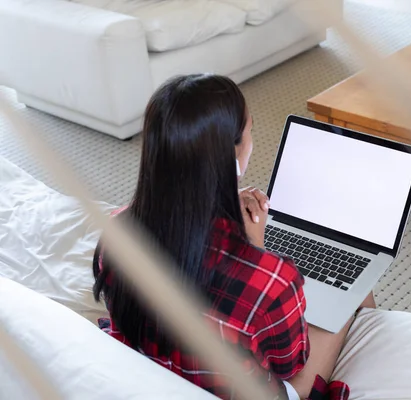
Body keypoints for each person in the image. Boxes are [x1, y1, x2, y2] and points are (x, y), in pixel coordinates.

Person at [92, 74, 375, 400]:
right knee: (351, 291)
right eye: (250, 129)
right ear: (231, 156)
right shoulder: (270, 279)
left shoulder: (117, 231)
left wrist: (219, 203)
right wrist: (255, 250)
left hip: (156, 372)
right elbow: (290, 364)